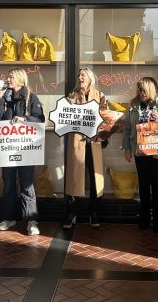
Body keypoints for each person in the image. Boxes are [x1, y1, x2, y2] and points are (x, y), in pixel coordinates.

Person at [0, 67, 44, 236]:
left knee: (26, 184)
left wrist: (25, 119)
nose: (8, 79)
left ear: (21, 80)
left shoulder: (31, 97)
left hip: (26, 150)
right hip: (8, 150)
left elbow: (40, 119)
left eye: (11, 76)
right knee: (8, 184)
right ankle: (9, 218)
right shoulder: (4, 97)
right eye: (8, 76)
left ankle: (31, 220)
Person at [122, 77, 158, 233]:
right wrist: (127, 149)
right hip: (140, 151)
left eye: (144, 89)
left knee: (157, 186)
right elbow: (127, 128)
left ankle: (157, 220)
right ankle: (144, 219)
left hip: (157, 152)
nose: (141, 93)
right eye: (139, 89)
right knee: (144, 186)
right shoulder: (133, 105)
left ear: (151, 89)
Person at [63, 67, 107, 229]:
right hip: (77, 142)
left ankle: (94, 212)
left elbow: (105, 118)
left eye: (82, 75)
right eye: (78, 75)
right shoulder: (71, 96)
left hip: (94, 143)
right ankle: (72, 213)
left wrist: (100, 134)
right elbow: (65, 117)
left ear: (90, 78)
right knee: (74, 176)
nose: (79, 78)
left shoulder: (100, 96)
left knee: (95, 177)